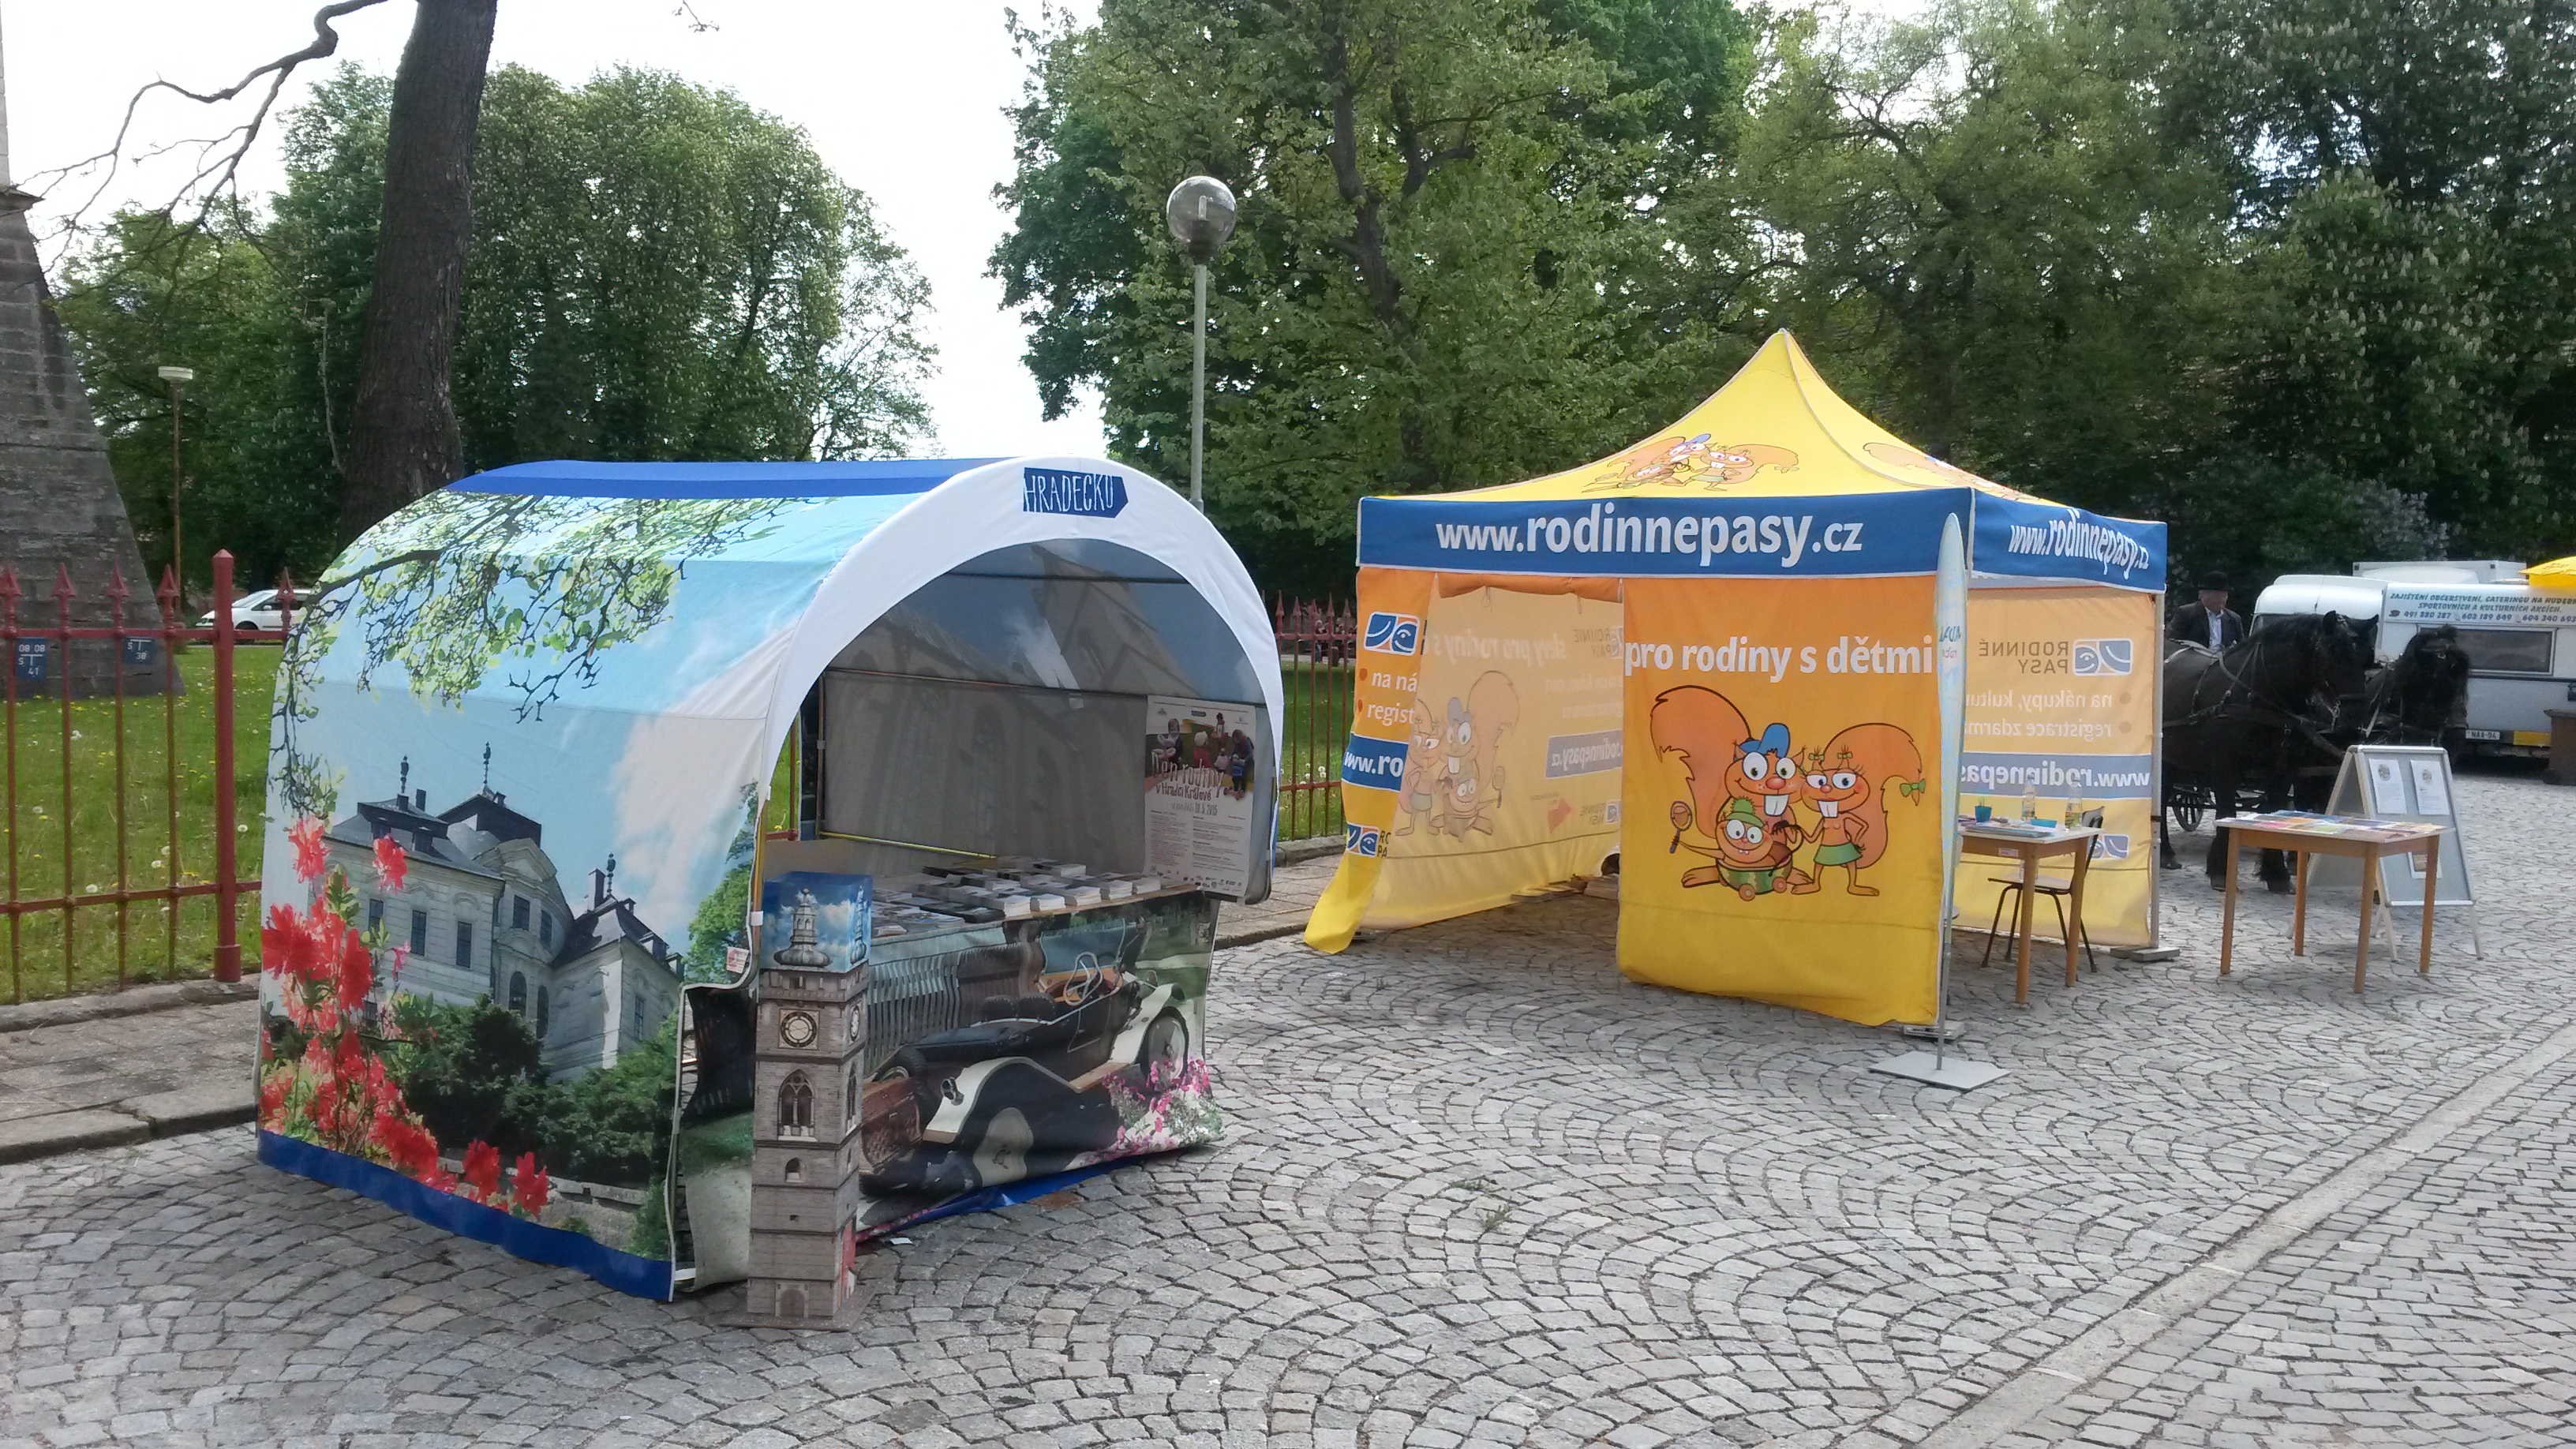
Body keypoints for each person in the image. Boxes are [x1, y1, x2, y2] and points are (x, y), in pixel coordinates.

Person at [2171, 571, 2246, 652]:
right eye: (2217, 596)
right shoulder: (2186, 614)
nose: (2221, 600)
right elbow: (2174, 643)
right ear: (2202, 595)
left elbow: (2242, 648)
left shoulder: (2234, 619)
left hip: (2224, 659)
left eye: (2224, 596)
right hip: (2194, 658)